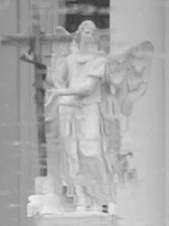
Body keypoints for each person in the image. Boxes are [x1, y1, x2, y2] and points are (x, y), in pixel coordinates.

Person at [46, 20, 152, 210]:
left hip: (90, 108)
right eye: (85, 32)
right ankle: (81, 198)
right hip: (69, 110)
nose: (89, 35)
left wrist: (61, 93)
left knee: (93, 153)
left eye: (92, 32)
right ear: (79, 35)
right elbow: (57, 78)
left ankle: (102, 197)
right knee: (73, 154)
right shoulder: (70, 60)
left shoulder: (99, 61)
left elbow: (88, 88)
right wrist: (60, 92)